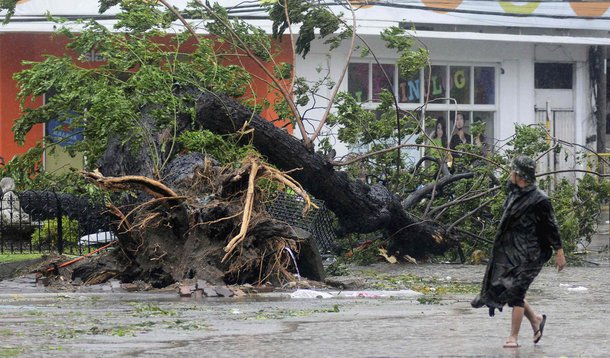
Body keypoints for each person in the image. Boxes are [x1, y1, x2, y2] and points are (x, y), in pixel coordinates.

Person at [471, 156, 567, 348]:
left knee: (516, 292)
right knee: (510, 288)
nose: (510, 174)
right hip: (512, 252)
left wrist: (559, 251)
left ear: (520, 175)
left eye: (513, 171)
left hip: (532, 254)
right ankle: (536, 320)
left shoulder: (540, 199)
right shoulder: (514, 193)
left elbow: (551, 226)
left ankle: (513, 337)